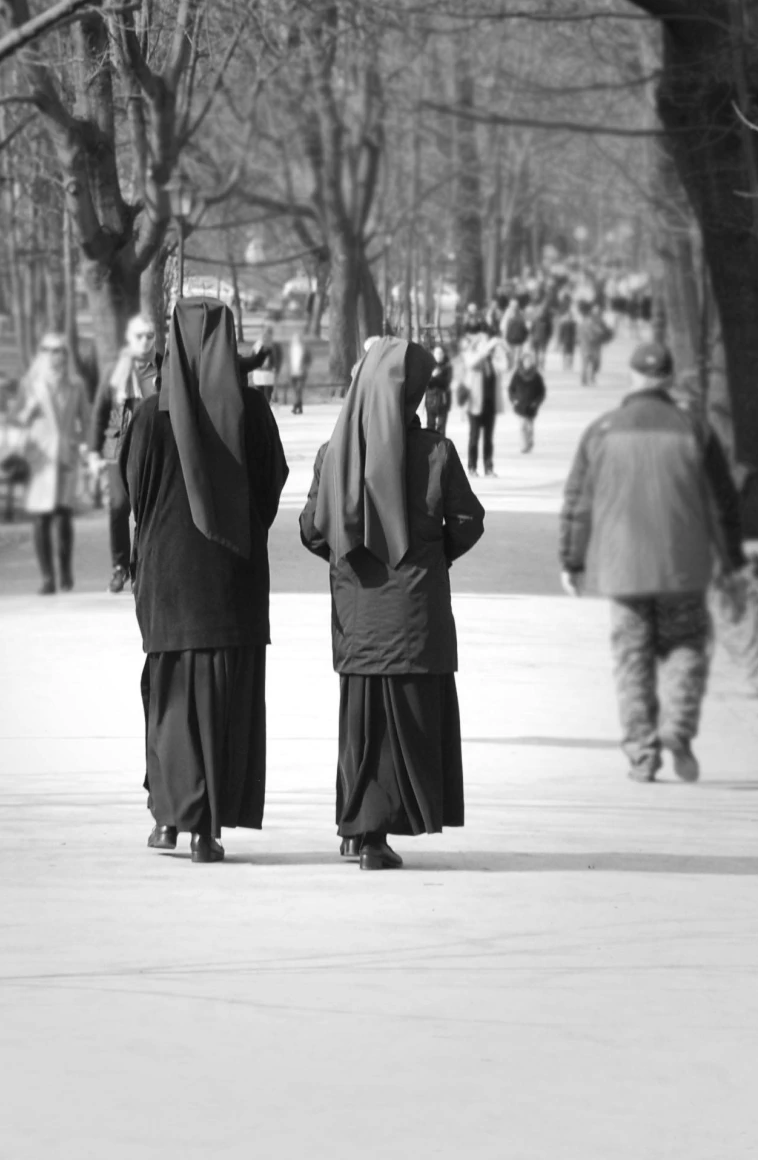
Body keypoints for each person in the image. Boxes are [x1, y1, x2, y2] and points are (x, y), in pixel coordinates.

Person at [300, 338, 485, 871]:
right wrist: (432, 557)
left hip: (358, 619)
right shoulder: (436, 452)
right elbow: (468, 523)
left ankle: (357, 827)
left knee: (362, 724)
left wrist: (351, 562)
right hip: (414, 618)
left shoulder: (334, 455)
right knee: (404, 724)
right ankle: (376, 838)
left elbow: (314, 531)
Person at [124, 299, 289, 863]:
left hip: (169, 585)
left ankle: (169, 819)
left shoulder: (149, 417)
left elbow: (134, 495)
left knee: (170, 701)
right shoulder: (252, 413)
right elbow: (271, 489)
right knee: (219, 703)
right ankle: (206, 830)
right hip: (231, 585)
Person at [558, 341, 742, 783]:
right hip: (684, 565)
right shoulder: (695, 430)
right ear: (670, 379)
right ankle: (676, 728)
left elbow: (579, 503)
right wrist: (732, 559)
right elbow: (721, 503)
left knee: (632, 660)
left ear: (633, 378)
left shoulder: (602, 431)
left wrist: (572, 558)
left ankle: (642, 753)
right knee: (687, 647)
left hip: (624, 568)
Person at [12, 333, 90, 595]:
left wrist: (89, 450)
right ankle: (47, 577)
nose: (58, 356)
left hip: (66, 456)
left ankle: (65, 569)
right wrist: (29, 409)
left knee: (64, 515)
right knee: (41, 517)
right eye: (52, 350)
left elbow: (87, 421)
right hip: (40, 459)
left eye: (62, 351)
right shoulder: (31, 384)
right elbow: (17, 420)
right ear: (43, 354)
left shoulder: (76, 385)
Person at [92, 314, 159, 594]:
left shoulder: (165, 369)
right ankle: (119, 567)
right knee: (119, 506)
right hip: (116, 447)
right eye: (139, 336)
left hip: (152, 448)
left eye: (149, 336)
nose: (144, 341)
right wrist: (93, 453)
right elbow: (100, 413)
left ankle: (141, 566)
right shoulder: (115, 371)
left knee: (148, 511)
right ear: (130, 340)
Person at [457, 317, 504, 477]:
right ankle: (471, 467)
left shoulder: (492, 361)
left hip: (490, 404)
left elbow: (506, 366)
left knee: (489, 439)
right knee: (474, 437)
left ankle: (489, 467)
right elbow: (470, 363)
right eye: (484, 342)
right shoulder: (472, 357)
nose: (487, 344)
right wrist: (485, 349)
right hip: (475, 404)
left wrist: (501, 347)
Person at [507, 346, 547, 454]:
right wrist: (513, 399)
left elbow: (542, 392)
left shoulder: (536, 376)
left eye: (530, 361)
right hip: (520, 405)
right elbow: (511, 389)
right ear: (522, 362)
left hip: (532, 406)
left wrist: (536, 403)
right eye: (526, 360)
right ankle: (524, 445)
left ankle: (530, 442)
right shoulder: (517, 375)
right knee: (522, 426)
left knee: (530, 427)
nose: (528, 363)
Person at [423, 342, 454, 439]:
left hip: (443, 401)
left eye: (441, 353)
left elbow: (446, 382)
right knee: (430, 427)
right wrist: (432, 376)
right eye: (437, 353)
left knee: (441, 428)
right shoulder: (429, 366)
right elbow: (426, 383)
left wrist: (435, 378)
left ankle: (441, 451)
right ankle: (429, 451)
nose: (439, 355)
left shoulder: (448, 366)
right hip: (430, 401)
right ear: (433, 354)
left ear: (444, 354)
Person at [578, 303, 611, 386]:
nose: (598, 314)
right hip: (590, 345)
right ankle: (588, 378)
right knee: (590, 362)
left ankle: (587, 378)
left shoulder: (597, 322)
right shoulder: (590, 322)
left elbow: (605, 332)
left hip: (590, 346)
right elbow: (599, 332)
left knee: (590, 363)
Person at [286, 325, 311, 414]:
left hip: (301, 372)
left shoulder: (304, 349)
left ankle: (295, 406)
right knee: (296, 391)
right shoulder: (291, 349)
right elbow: (289, 361)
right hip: (293, 372)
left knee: (299, 389)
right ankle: (299, 407)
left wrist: (305, 367)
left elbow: (308, 360)